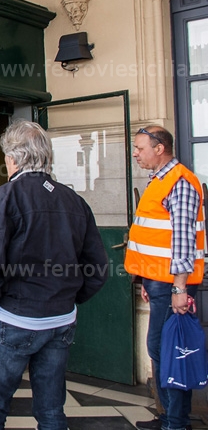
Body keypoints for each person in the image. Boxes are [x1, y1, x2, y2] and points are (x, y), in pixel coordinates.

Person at [0, 120, 108, 430]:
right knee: (51, 410)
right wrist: (67, 298)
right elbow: (98, 269)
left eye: (6, 155)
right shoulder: (75, 202)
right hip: (60, 320)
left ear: (14, 158)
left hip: (13, 318)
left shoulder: (3, 198)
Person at [124, 126, 205, 430]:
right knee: (160, 348)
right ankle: (168, 416)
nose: (136, 153)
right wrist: (146, 279)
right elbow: (157, 238)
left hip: (174, 284)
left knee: (168, 350)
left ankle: (176, 422)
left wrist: (180, 289)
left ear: (160, 148)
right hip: (159, 282)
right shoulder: (160, 180)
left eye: (140, 148)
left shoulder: (180, 182)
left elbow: (183, 240)